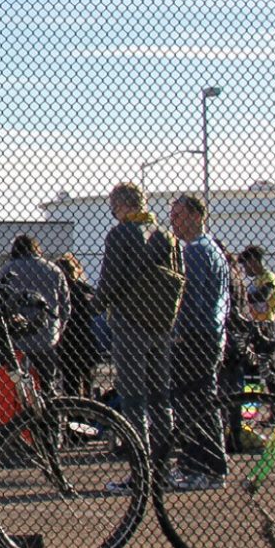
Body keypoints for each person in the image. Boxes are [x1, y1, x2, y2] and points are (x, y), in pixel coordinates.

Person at [95, 181, 179, 472]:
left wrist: (97, 305)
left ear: (121, 205)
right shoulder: (165, 236)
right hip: (160, 323)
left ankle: (140, 469)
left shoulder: (120, 235)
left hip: (130, 322)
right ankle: (164, 466)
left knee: (133, 398)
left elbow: (110, 280)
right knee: (160, 398)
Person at [168, 195, 230, 491]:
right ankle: (203, 464)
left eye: (178, 215)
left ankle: (205, 466)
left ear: (195, 216)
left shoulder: (194, 253)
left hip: (195, 336)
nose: (173, 221)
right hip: (210, 333)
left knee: (194, 402)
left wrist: (178, 330)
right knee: (201, 399)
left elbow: (190, 298)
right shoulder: (213, 250)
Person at [0, 234, 69, 392]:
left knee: (17, 380)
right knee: (47, 379)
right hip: (47, 334)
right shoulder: (54, 270)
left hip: (17, 335)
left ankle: (22, 408)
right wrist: (58, 329)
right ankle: (50, 406)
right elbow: (65, 307)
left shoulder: (9, 269)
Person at [54, 254, 101, 400]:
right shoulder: (84, 290)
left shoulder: (58, 291)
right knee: (87, 381)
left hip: (66, 341)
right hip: (85, 340)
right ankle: (88, 409)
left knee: (70, 382)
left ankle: (73, 414)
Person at [238, 245, 275, 324]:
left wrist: (242, 298)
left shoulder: (269, 277)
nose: (245, 270)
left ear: (253, 261)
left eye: (245, 265)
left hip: (265, 323)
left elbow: (263, 296)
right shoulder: (257, 279)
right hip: (254, 321)